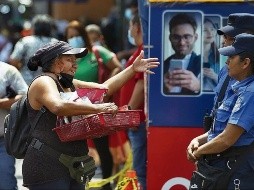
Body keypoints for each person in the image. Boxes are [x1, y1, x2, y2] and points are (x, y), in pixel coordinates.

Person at [22, 40, 159, 189]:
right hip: (47, 166)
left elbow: (104, 88)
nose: (75, 65)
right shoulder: (44, 82)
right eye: (70, 60)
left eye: (75, 61)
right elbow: (58, 106)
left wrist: (133, 69)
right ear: (56, 62)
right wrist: (97, 108)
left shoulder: (66, 83)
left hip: (73, 165)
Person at [188, 33, 254, 190]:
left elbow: (227, 139)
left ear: (245, 63)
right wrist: (198, 140)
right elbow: (220, 130)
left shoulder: (250, 93)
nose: (227, 61)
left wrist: (199, 152)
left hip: (236, 172)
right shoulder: (236, 87)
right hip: (220, 170)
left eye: (232, 57)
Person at [65, 20, 122, 190]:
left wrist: (105, 91)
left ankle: (106, 183)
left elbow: (117, 67)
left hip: (97, 109)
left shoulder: (96, 52)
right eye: (70, 37)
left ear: (84, 36)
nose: (74, 39)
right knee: (76, 148)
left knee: (102, 147)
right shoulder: (67, 58)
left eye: (77, 36)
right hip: (74, 109)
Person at [119, 13, 147, 190]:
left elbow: (141, 84)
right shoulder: (139, 51)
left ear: (136, 27)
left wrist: (129, 112)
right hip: (136, 120)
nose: (130, 30)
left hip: (138, 121)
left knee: (139, 171)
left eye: (130, 26)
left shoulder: (143, 50)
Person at [0, 62, 28, 190]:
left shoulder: (7, 70)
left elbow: (25, 96)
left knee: (5, 184)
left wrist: (4, 102)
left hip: (2, 139)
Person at [9, 14, 58, 85]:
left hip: (27, 83)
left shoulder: (25, 41)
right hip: (49, 83)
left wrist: (21, 67)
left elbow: (14, 60)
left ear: (34, 27)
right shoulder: (56, 43)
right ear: (50, 28)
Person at [163, 13, 201, 95]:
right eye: (176, 37)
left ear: (195, 38)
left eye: (187, 37)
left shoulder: (204, 63)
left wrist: (199, 87)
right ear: (170, 38)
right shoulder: (162, 65)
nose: (182, 43)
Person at [202, 18, 220, 92]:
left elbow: (231, 83)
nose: (210, 33)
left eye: (212, 29)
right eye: (205, 30)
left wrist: (215, 76)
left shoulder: (222, 55)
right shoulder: (191, 55)